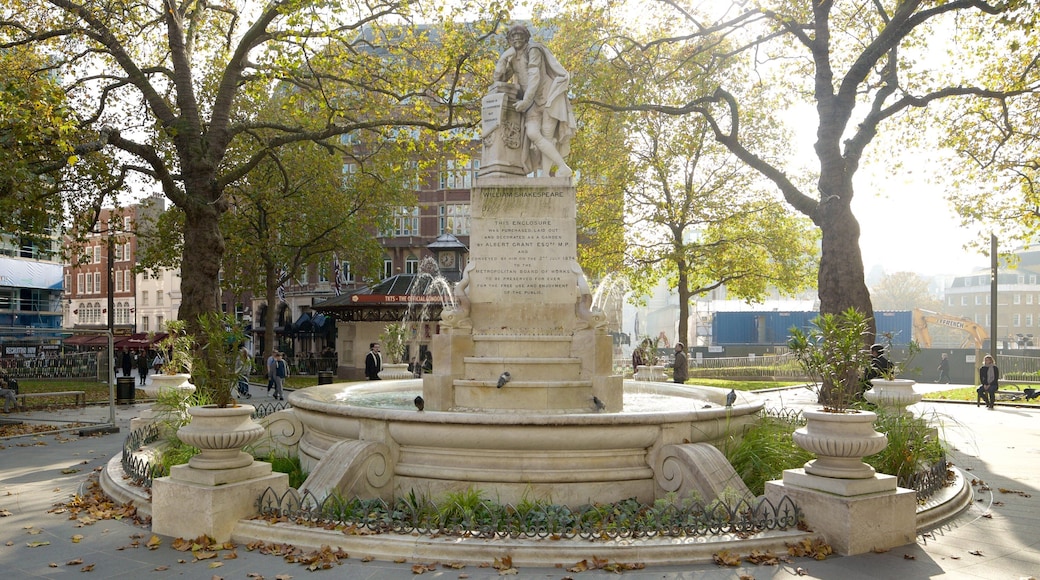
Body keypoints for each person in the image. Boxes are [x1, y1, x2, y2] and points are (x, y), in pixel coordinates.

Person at [493, 24, 576, 177]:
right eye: (513, 36)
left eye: (520, 35)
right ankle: (563, 166)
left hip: (547, 97)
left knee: (547, 134)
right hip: (531, 103)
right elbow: (499, 78)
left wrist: (525, 101)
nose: (517, 38)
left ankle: (545, 175)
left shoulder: (533, 50)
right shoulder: (512, 58)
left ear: (526, 37)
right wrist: (504, 57)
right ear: (510, 40)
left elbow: (534, 77)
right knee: (532, 133)